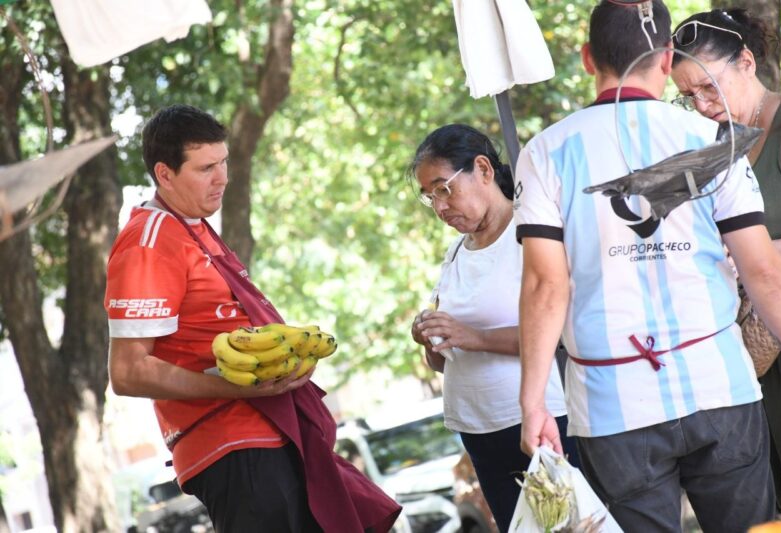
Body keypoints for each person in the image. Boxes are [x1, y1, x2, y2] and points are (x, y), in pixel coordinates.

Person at [514, 1, 781, 532]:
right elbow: (762, 270)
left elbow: (544, 285)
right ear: (667, 60)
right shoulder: (713, 141)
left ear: (587, 58)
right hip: (720, 386)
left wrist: (533, 404)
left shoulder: (545, 153)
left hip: (612, 407)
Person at [105, 104, 400, 533]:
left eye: (223, 162)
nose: (222, 178)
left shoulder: (195, 226)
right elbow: (128, 372)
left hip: (272, 429)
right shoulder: (148, 241)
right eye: (206, 168)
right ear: (164, 174)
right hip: (232, 444)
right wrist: (234, 387)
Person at [409, 124, 577, 533]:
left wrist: (474, 337)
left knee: (574, 525)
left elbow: (559, 333)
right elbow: (445, 362)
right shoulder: (455, 253)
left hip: (542, 423)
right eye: (429, 197)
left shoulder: (530, 233)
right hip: (478, 432)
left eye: (444, 188)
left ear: (483, 169)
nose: (439, 207)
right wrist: (431, 338)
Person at [670, 9, 781, 518]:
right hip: (748, 363)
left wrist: (778, 251)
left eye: (709, 87)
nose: (702, 106)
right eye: (689, 96)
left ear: (746, 61)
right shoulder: (710, 151)